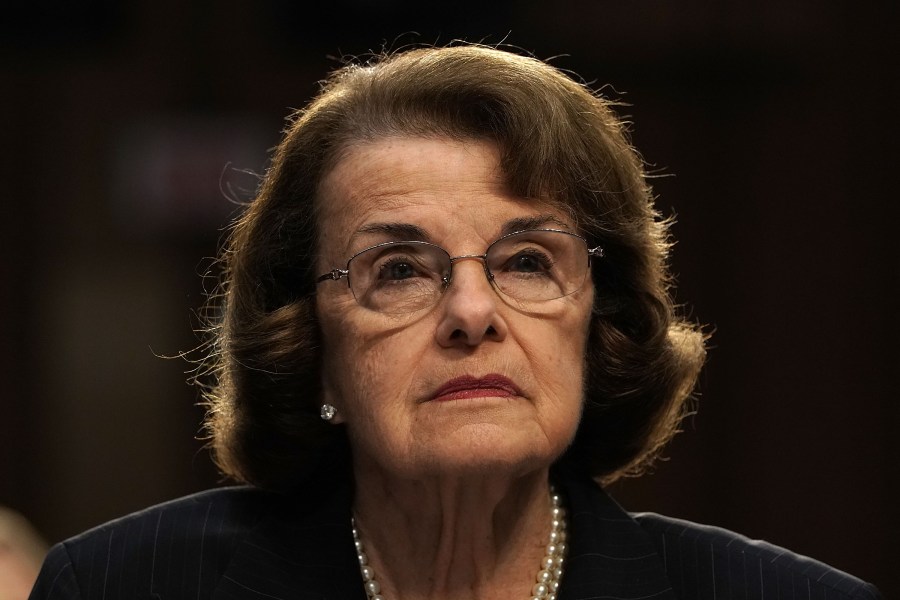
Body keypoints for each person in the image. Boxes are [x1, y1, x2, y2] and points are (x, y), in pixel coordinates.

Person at [29, 44, 881, 600]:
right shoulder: (118, 585)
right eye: (398, 271)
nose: (473, 313)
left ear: (599, 323)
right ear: (311, 348)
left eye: (526, 262)